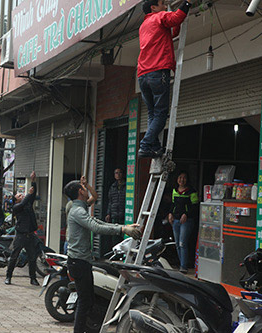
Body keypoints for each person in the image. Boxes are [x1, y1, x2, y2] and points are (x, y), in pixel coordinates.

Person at [64, 178, 141, 333]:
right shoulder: (77, 211)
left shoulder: (81, 207)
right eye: (84, 188)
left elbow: (98, 222)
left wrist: (123, 227)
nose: (86, 190)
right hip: (78, 263)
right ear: (80, 191)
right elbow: (96, 227)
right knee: (85, 302)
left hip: (81, 261)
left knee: (88, 301)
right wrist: (122, 230)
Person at [137, 0, 191, 158]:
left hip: (142, 74)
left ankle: (154, 146)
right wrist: (186, 3)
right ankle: (145, 145)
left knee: (152, 114)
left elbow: (171, 32)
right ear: (153, 8)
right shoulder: (159, 17)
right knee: (160, 114)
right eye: (161, 3)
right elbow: (175, 19)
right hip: (157, 71)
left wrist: (177, 23)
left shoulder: (144, 26)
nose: (165, 5)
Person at [5, 171, 39, 286]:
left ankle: (33, 278)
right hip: (21, 235)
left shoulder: (27, 204)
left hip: (30, 234)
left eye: (21, 195)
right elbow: (25, 201)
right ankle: (8, 276)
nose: (22, 195)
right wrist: (28, 195)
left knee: (32, 257)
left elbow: (33, 194)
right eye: (19, 196)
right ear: (16, 200)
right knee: (14, 256)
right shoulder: (16, 207)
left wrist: (33, 182)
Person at [168, 171, 199, 274]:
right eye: (180, 177)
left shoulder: (192, 191)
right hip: (176, 220)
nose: (182, 180)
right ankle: (181, 264)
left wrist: (186, 214)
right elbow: (172, 205)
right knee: (177, 243)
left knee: (182, 243)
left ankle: (184, 266)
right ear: (177, 179)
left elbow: (195, 207)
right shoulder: (174, 190)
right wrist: (170, 214)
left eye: (184, 178)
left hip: (187, 221)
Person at [105, 168, 126, 249]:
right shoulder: (113, 187)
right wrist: (108, 213)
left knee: (124, 234)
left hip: (123, 214)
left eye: (120, 172)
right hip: (114, 214)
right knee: (115, 235)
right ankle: (116, 253)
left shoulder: (126, 185)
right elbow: (110, 201)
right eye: (116, 173)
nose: (118, 174)